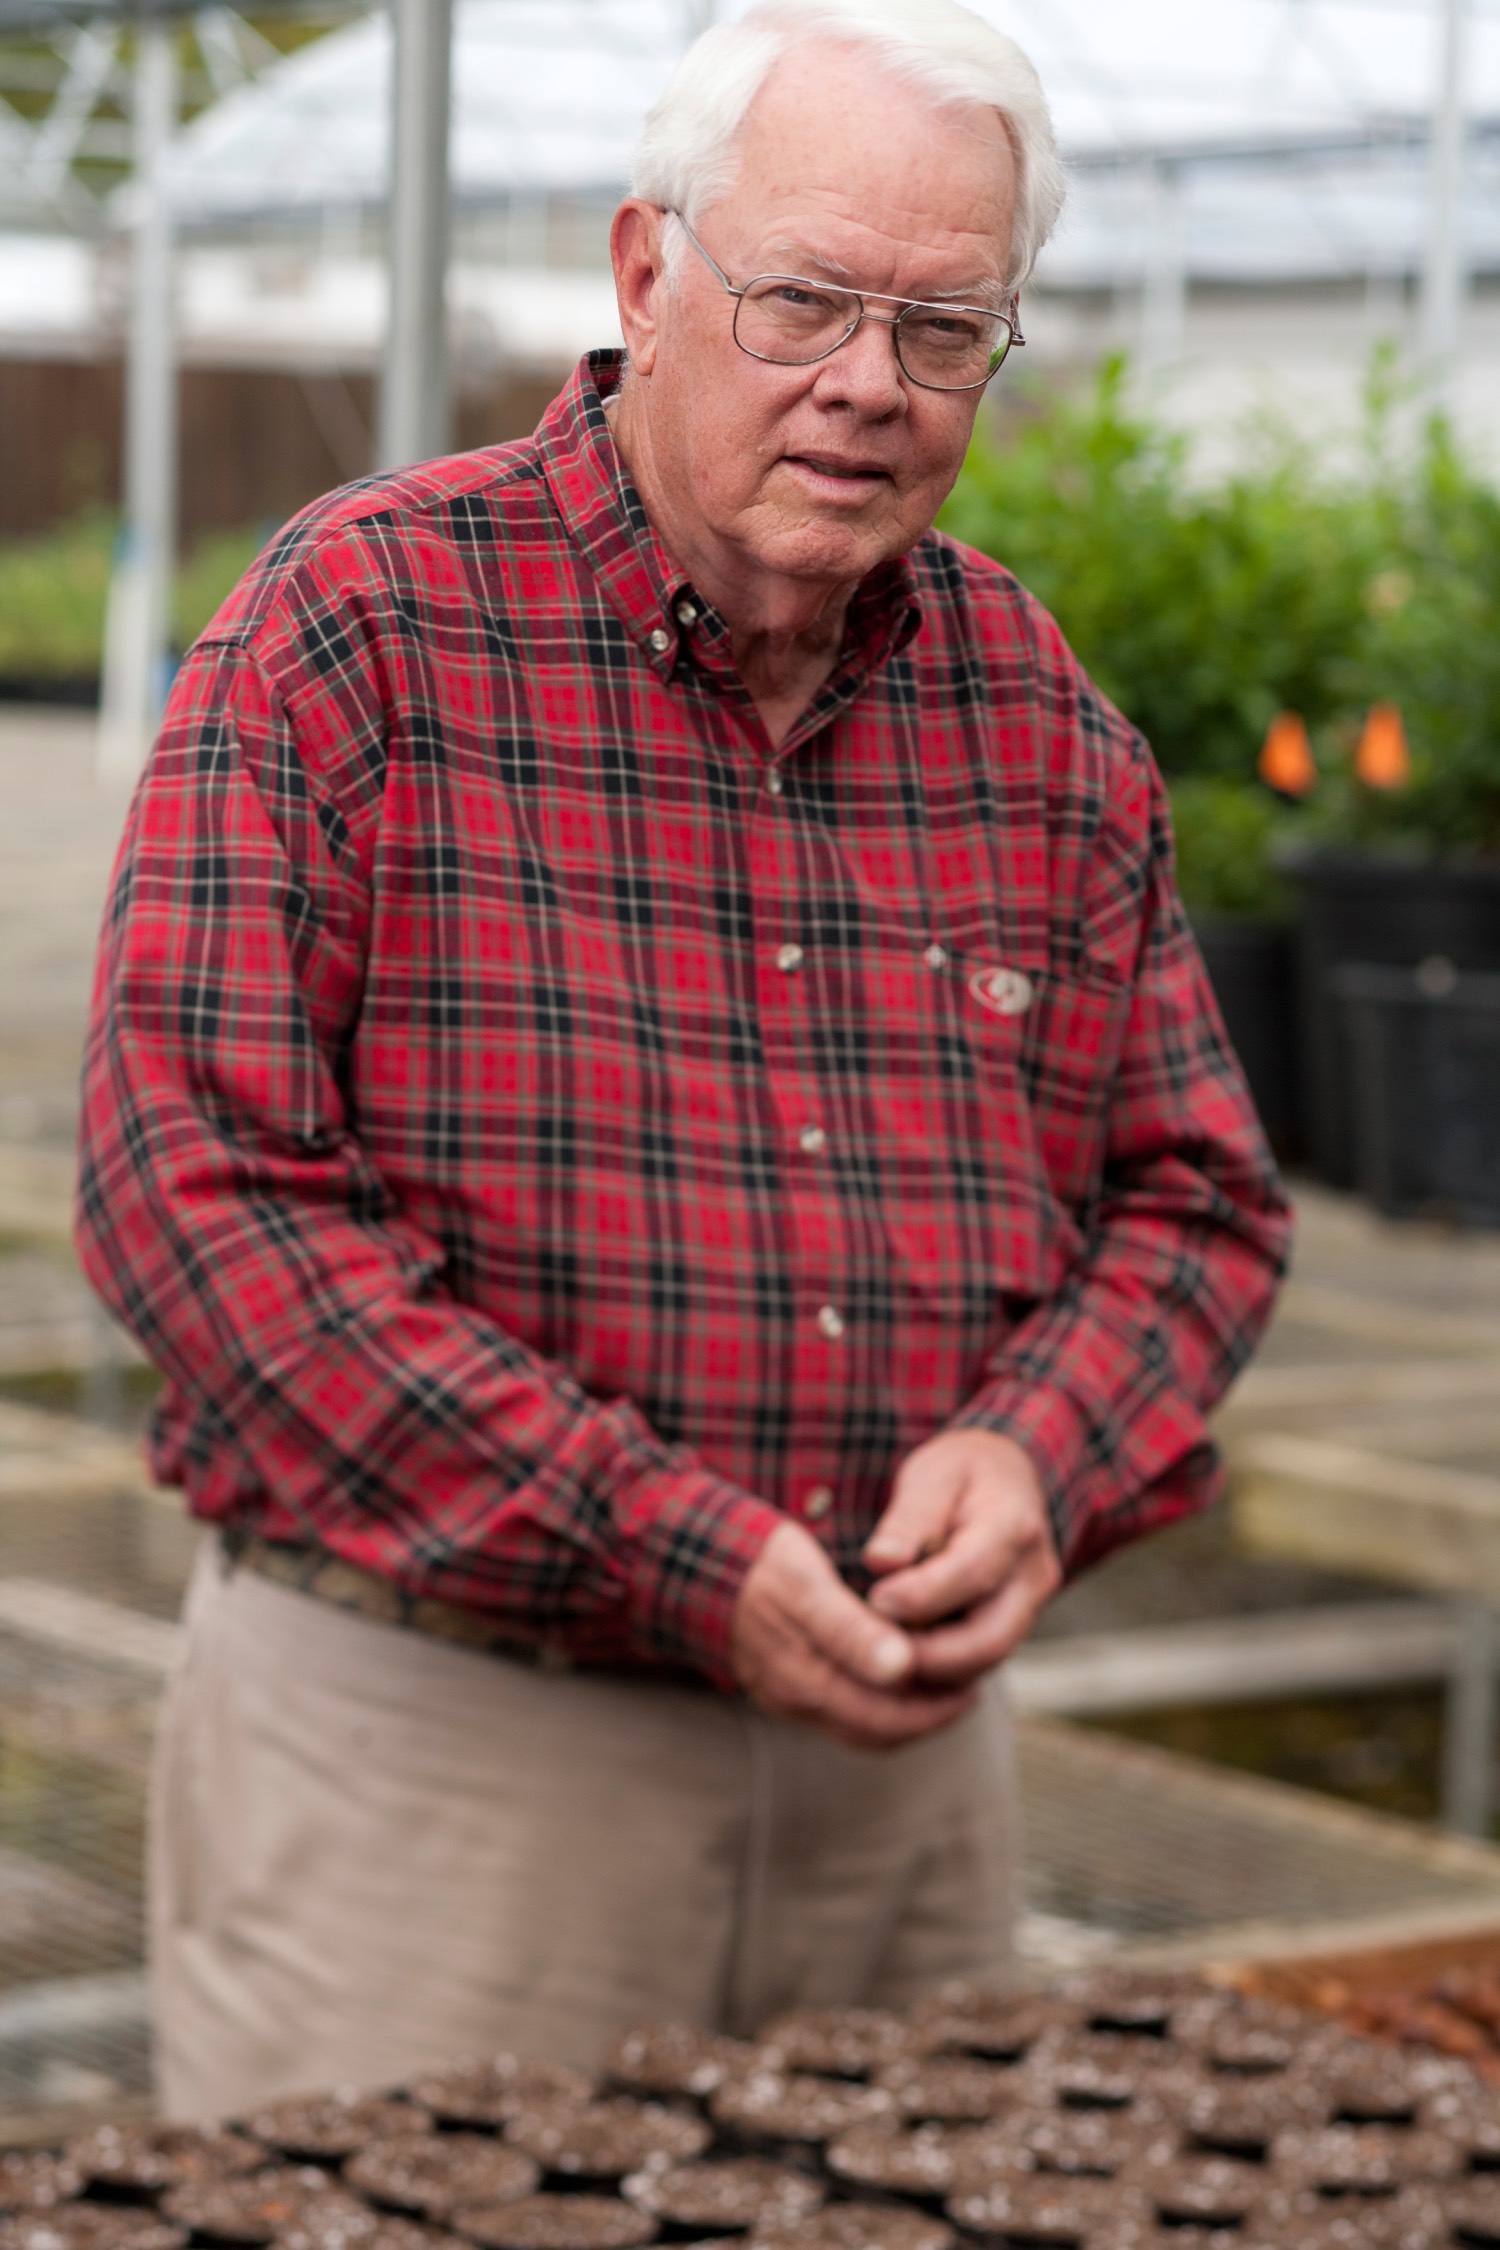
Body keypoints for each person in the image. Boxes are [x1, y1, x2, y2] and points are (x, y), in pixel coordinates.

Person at [76, 0, 1290, 2120]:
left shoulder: (1025, 706)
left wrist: (1040, 1459)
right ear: (649, 274)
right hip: (443, 1762)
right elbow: (196, 1210)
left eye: (944, 331)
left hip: (904, 1785)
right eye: (807, 298)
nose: (865, 386)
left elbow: (1191, 1200)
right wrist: (666, 1549)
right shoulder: (361, 628)